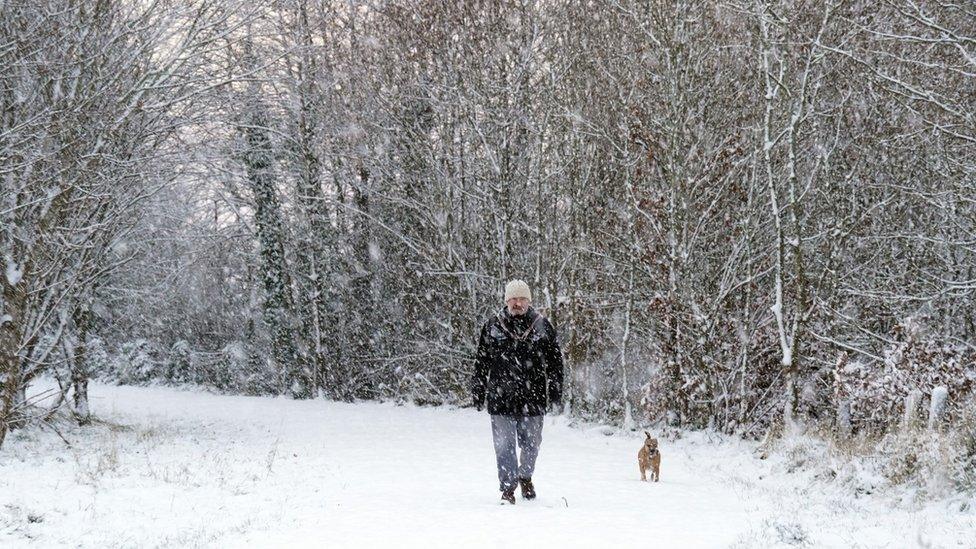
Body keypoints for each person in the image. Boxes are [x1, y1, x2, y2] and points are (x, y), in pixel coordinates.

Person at [471, 279, 564, 505]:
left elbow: (554, 362)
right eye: (513, 298)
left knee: (531, 444)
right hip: (500, 396)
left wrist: (555, 390)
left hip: (533, 397)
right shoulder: (493, 325)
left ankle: (525, 476)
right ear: (506, 300)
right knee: (504, 445)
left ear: (529, 301)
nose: (518, 303)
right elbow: (482, 360)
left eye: (522, 299)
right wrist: (478, 389)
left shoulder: (542, 326)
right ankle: (508, 487)